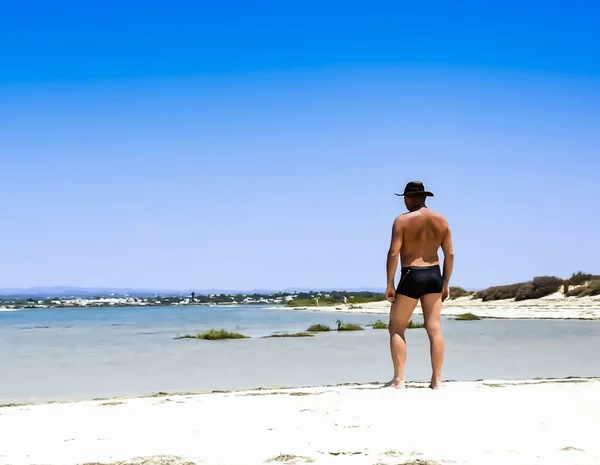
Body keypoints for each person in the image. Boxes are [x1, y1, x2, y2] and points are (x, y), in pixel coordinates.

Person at [384, 181, 454, 389]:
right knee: (434, 328)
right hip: (434, 274)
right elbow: (449, 253)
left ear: (408, 198)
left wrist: (390, 283)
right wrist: (446, 282)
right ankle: (437, 380)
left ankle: (399, 380)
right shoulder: (441, 220)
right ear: (424, 198)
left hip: (411, 275)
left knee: (396, 327)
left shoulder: (402, 221)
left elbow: (394, 253)